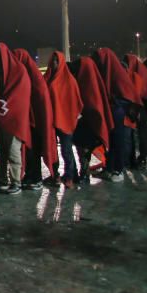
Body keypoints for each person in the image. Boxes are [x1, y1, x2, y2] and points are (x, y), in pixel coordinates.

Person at [0, 42, 31, 195]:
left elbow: (21, 97)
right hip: (2, 117)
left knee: (13, 150)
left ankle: (16, 181)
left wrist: (4, 104)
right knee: (3, 151)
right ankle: (3, 180)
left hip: (14, 119)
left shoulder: (20, 72)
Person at [94, 48, 141, 182]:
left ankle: (118, 170)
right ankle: (110, 168)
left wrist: (114, 102)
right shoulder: (109, 71)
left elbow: (128, 95)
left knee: (119, 142)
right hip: (113, 111)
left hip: (119, 112)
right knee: (111, 142)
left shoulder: (117, 73)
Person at [14, 49, 57, 189]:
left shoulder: (35, 79)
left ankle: (36, 178)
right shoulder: (26, 75)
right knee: (28, 151)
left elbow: (41, 101)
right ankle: (30, 175)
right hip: (28, 122)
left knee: (34, 151)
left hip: (36, 123)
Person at [69, 57, 113, 183]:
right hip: (87, 122)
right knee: (82, 148)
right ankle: (84, 172)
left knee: (84, 149)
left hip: (88, 123)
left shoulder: (87, 81)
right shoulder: (91, 80)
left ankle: (84, 172)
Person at [44, 52, 83, 188]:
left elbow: (75, 101)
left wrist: (70, 116)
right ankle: (55, 175)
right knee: (52, 150)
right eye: (52, 60)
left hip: (65, 120)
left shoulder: (69, 80)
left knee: (66, 150)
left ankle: (69, 176)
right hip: (51, 121)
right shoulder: (48, 78)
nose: (53, 63)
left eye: (56, 60)